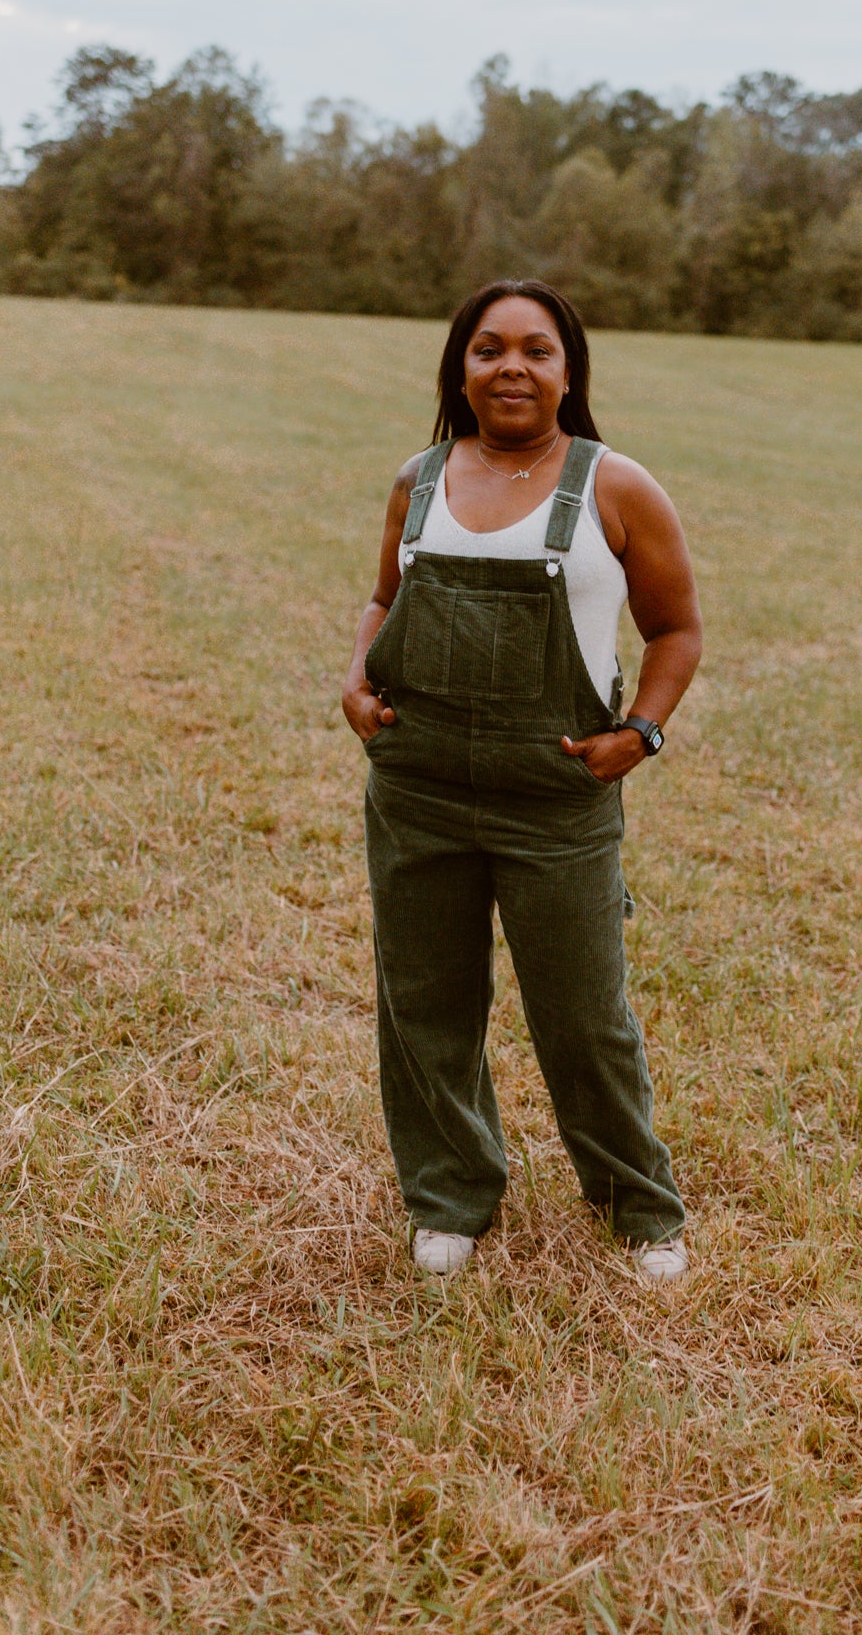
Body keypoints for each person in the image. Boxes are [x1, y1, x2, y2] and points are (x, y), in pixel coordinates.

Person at [342, 280, 703, 1284]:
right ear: (460, 365)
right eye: (489, 348)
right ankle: (450, 1192)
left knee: (584, 1014)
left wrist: (643, 731)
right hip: (416, 787)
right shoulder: (417, 479)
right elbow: (382, 599)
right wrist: (355, 678)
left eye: (536, 350)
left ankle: (639, 1205)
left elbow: (676, 630)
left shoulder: (616, 486)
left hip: (556, 796)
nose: (512, 367)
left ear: (568, 368)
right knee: (424, 1001)